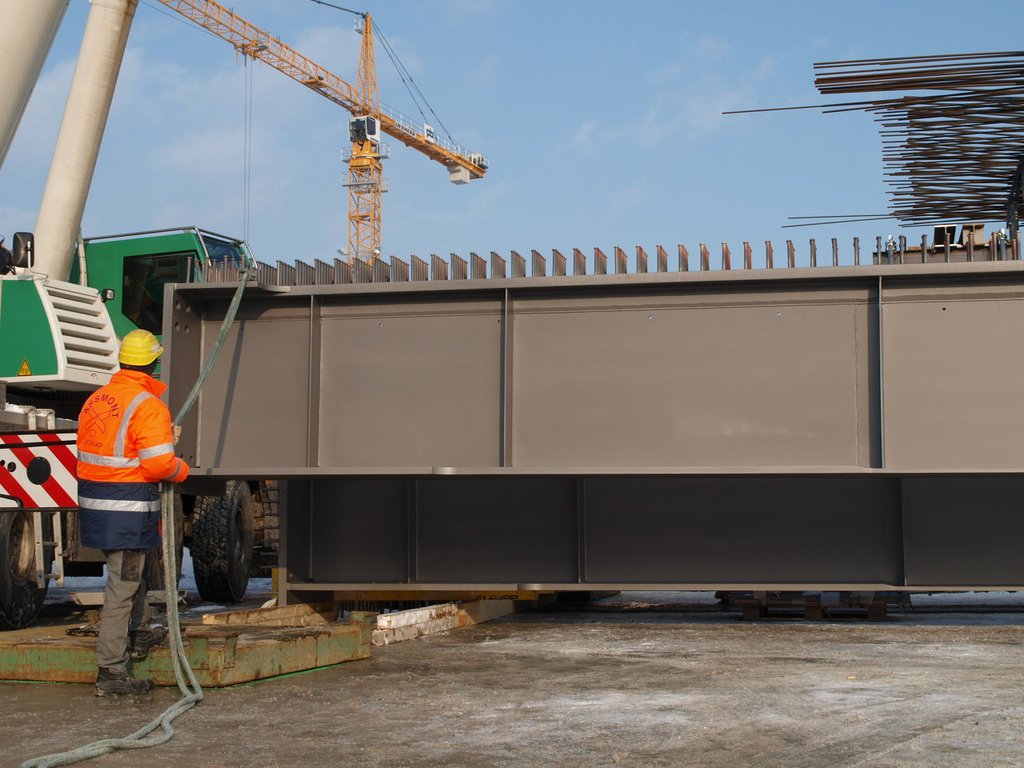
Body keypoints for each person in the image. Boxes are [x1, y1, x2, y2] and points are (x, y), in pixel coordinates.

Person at [77, 329, 189, 696]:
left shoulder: (97, 399)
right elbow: (158, 465)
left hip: (98, 507)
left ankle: (139, 633)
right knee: (122, 587)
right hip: (126, 510)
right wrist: (182, 468)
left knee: (130, 576)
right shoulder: (148, 406)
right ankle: (111, 672)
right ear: (153, 363)